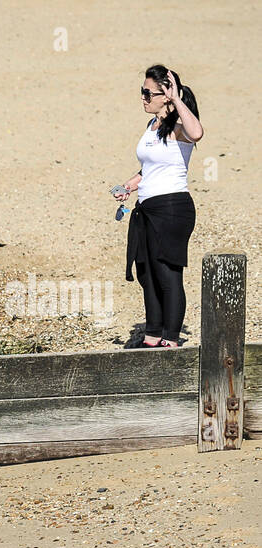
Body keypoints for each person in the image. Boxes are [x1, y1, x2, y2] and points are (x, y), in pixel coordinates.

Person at [113, 65, 203, 348]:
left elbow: (198, 132)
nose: (142, 97)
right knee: (147, 272)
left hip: (172, 208)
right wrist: (128, 186)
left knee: (167, 273)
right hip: (147, 208)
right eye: (142, 91)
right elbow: (149, 168)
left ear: (164, 95)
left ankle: (171, 339)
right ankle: (152, 334)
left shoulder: (179, 129)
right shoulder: (151, 127)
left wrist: (176, 99)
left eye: (147, 92)